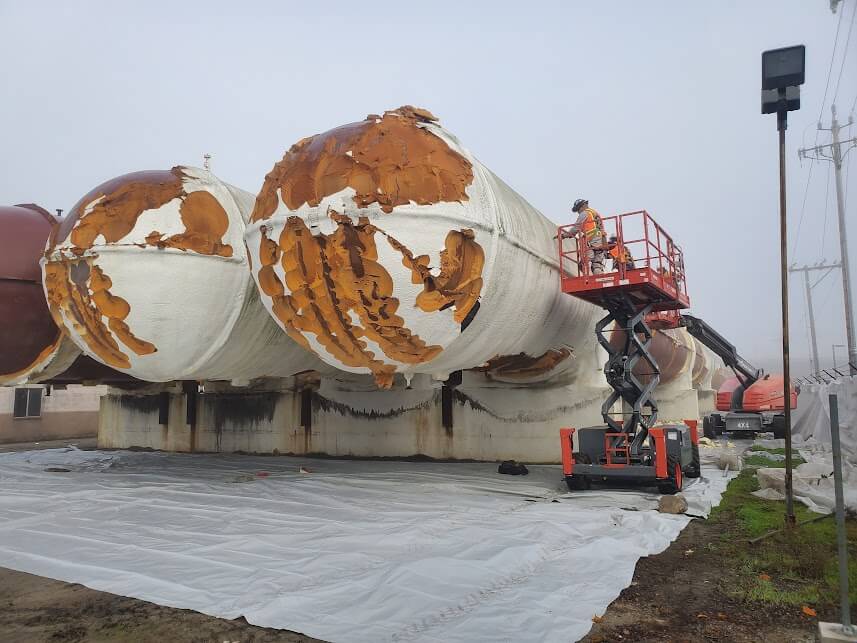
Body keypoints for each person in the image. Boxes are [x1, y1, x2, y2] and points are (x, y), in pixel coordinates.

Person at [564, 198, 607, 274]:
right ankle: (600, 278)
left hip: (592, 240)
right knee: (597, 264)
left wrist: (565, 235)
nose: (578, 212)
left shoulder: (584, 213)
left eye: (578, 209)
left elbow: (576, 227)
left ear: (582, 206)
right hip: (601, 239)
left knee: (585, 261)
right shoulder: (595, 213)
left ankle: (586, 279)